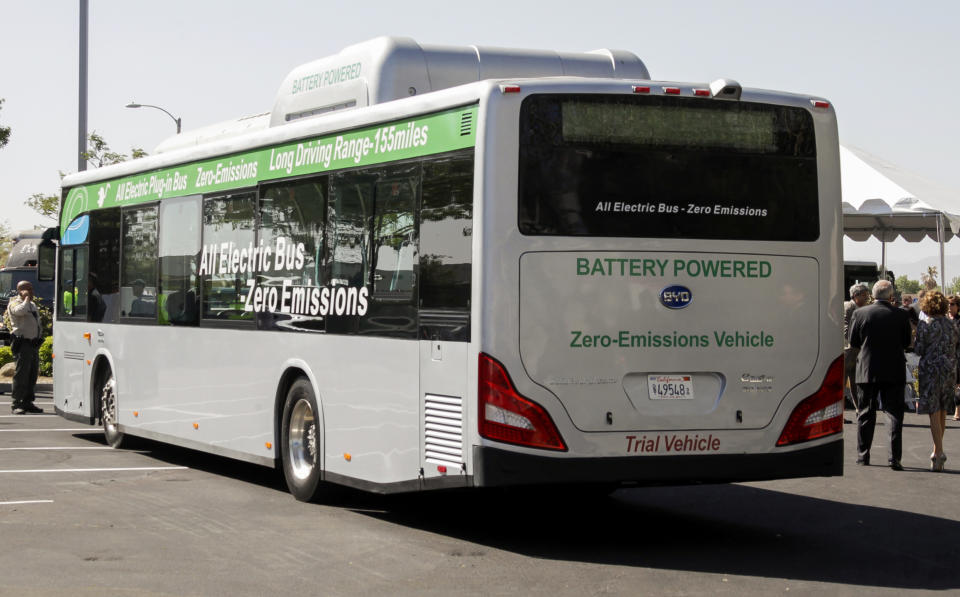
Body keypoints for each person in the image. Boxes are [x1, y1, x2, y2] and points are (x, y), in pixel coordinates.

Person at [847, 279, 912, 470]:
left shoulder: (860, 313)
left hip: (867, 370)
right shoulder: (901, 315)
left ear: (872, 295)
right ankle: (895, 458)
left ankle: (863, 455)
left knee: (866, 412)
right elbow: (907, 342)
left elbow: (854, 342)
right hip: (894, 369)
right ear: (891, 296)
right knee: (893, 414)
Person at [914, 290, 957, 472]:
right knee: (943, 409)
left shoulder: (925, 324)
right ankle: (936, 452)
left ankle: (939, 452)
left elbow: (918, 349)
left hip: (931, 370)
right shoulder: (951, 324)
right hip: (949, 369)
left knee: (933, 410)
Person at [5, 280, 43, 415]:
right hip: (23, 344)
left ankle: (28, 402)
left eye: (31, 289)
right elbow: (19, 312)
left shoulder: (31, 304)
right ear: (21, 290)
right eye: (29, 289)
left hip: (33, 344)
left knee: (32, 374)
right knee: (21, 375)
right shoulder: (15, 303)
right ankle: (16, 403)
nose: (32, 291)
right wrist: (25, 298)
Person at [843, 283, 871, 407]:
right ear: (855, 296)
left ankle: (859, 409)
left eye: (867, 294)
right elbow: (845, 328)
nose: (867, 298)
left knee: (856, 382)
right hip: (848, 350)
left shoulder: (862, 308)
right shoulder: (849, 306)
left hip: (856, 351)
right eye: (864, 295)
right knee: (843, 383)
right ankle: (841, 414)